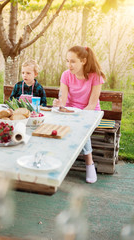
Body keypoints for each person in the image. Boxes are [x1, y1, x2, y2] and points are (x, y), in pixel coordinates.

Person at [53, 46, 105, 184]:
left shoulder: (96, 76)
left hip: (90, 113)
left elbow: (92, 104)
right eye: (67, 61)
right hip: (70, 112)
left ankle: (89, 163)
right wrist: (59, 104)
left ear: (83, 61)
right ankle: (59, 161)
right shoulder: (66, 75)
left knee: (81, 128)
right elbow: (63, 101)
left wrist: (77, 117)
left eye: (73, 61)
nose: (69, 65)